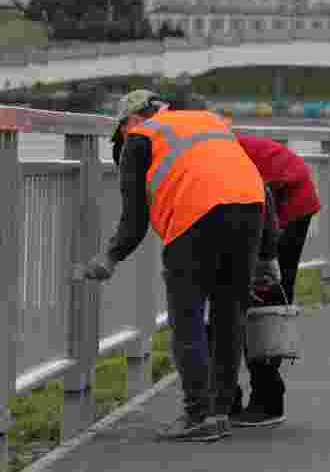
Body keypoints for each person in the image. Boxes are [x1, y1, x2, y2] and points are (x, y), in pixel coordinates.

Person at [81, 90, 278, 443]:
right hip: (249, 210)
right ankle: (219, 413)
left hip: (195, 217)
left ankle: (197, 414)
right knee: (229, 318)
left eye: (121, 133)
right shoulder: (210, 123)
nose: (122, 142)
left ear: (133, 120)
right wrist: (267, 255)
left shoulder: (141, 137)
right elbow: (264, 190)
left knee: (187, 319)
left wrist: (110, 256)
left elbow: (135, 219)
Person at [207, 134, 321, 428]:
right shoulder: (200, 150)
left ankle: (268, 399)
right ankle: (228, 397)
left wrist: (266, 257)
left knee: (266, 294)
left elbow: (262, 199)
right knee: (239, 291)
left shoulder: (212, 156)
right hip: (269, 192)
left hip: (287, 198)